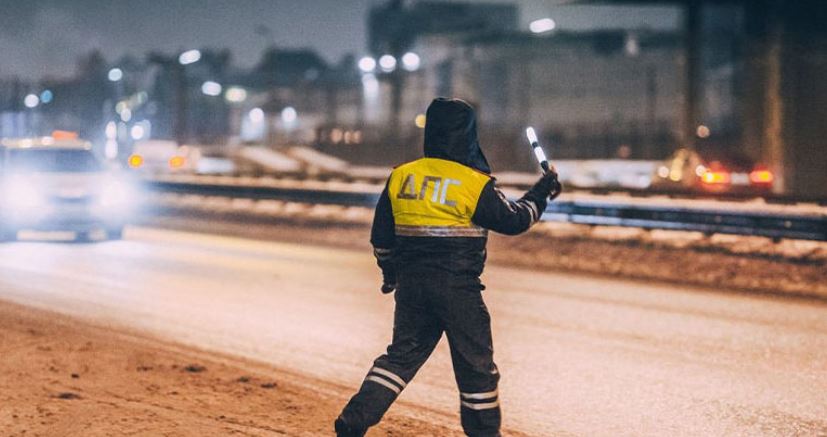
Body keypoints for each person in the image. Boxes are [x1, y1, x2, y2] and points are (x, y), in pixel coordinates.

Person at [335, 98, 561, 437]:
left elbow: (381, 238)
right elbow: (514, 221)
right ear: (469, 134)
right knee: (476, 369)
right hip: (459, 291)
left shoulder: (402, 177)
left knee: (399, 359)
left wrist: (390, 273)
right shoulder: (473, 182)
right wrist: (542, 192)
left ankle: (353, 420)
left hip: (412, 288)